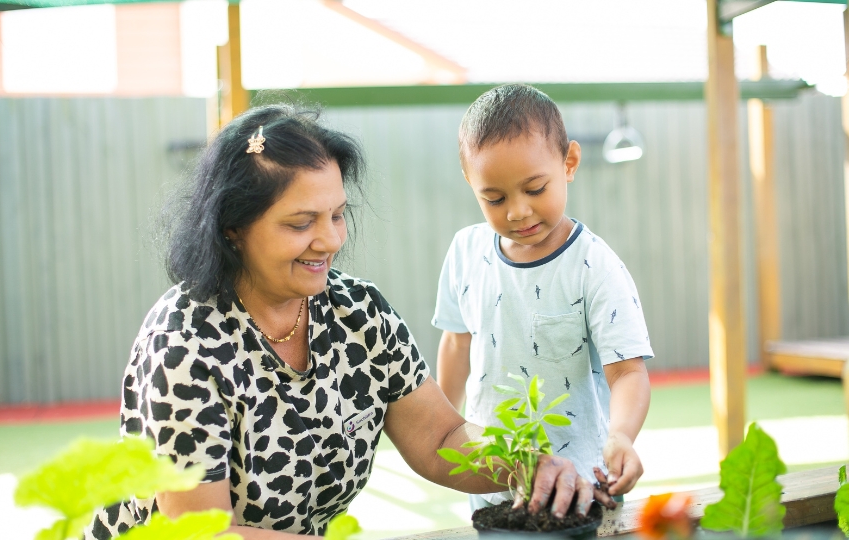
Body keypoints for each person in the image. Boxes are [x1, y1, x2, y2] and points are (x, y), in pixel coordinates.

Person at [87, 103, 615, 540]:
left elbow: (440, 436)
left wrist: (527, 465)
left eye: (337, 215)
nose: (331, 239)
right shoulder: (184, 346)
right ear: (233, 228)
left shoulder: (358, 312)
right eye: (301, 223)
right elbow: (200, 531)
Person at [432, 84, 653, 511]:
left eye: (534, 189)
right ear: (470, 182)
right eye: (494, 198)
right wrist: (444, 427)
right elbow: (457, 343)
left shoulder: (595, 267)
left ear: (569, 163)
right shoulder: (464, 252)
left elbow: (628, 371)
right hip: (492, 480)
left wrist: (622, 435)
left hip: (581, 487)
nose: (517, 211)